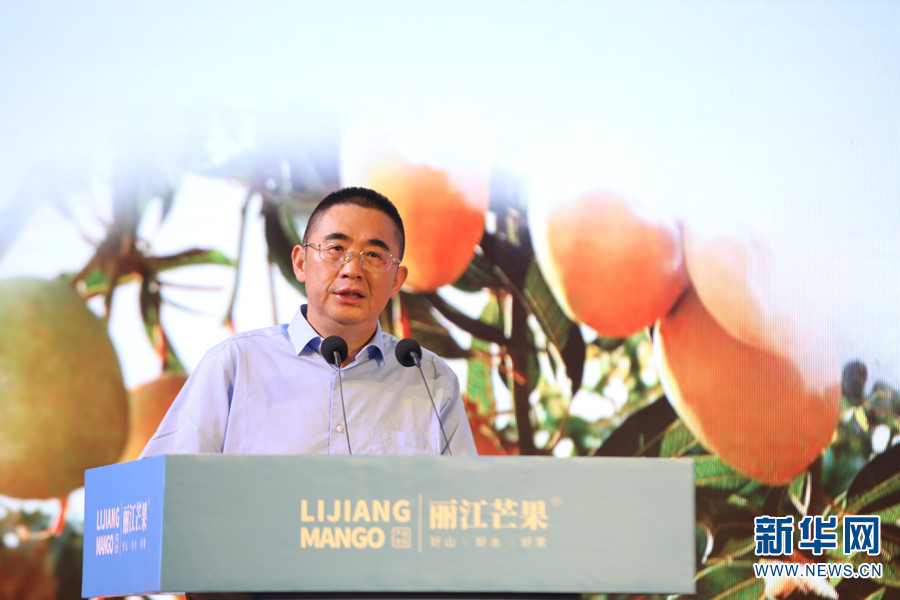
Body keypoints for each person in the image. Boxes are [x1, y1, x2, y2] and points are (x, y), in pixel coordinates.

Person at [139, 186, 477, 458]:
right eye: (335, 249)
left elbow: (464, 504)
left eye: (374, 256)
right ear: (300, 263)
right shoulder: (236, 366)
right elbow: (160, 487)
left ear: (397, 282)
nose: (352, 269)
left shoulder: (430, 381)